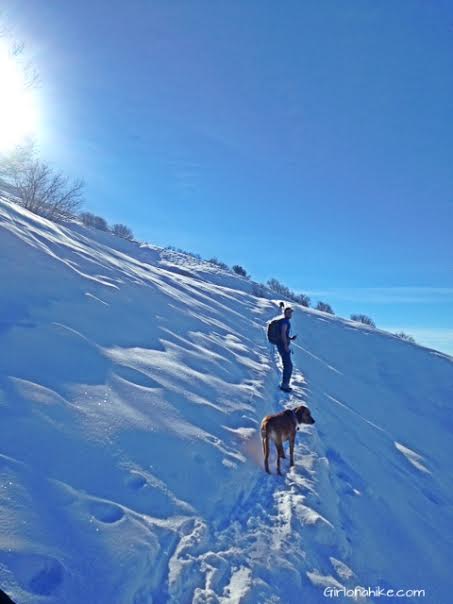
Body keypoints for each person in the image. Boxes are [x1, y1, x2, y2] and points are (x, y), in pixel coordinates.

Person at [277, 306, 297, 392]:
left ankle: (285, 384)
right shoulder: (285, 322)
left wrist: (290, 338)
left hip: (282, 345)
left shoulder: (285, 321)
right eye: (289, 312)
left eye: (291, 312)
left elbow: (284, 334)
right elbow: (282, 333)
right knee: (288, 366)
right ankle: (284, 385)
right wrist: (285, 345)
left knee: (288, 365)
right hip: (282, 346)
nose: (291, 314)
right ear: (285, 313)